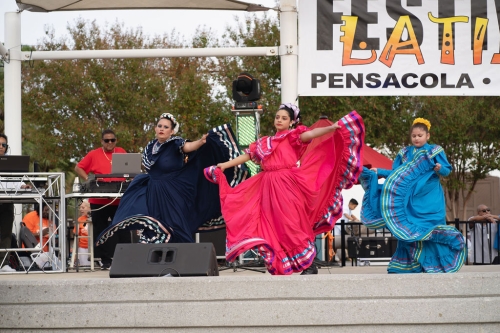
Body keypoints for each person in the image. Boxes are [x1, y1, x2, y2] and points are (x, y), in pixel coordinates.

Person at [204, 103, 365, 275]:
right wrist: (225, 165)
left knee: (292, 222)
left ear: (292, 122)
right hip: (267, 186)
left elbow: (310, 134)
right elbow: (247, 156)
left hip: (287, 184)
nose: (279, 120)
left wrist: (331, 128)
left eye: (284, 118)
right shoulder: (264, 142)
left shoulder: (292, 136)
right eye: (277, 117)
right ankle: (284, 260)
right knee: (273, 224)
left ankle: (309, 264)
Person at [96, 113, 248, 247]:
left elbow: (188, 147)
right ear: (155, 128)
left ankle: (183, 260)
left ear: (172, 131)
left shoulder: (175, 143)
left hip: (172, 190)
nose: (162, 128)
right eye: (159, 125)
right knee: (152, 221)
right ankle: (153, 260)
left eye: (166, 127)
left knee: (175, 223)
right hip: (154, 189)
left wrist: (200, 142)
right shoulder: (150, 146)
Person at [358, 118, 466, 273]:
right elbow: (396, 175)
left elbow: (447, 171)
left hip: (430, 199)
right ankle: (410, 265)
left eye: (420, 135)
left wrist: (439, 168)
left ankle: (435, 265)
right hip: (409, 201)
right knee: (408, 230)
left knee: (431, 229)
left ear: (427, 136)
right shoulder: (404, 153)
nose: (416, 138)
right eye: (414, 136)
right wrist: (379, 171)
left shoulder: (435, 151)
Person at [74, 129, 127, 270]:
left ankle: (125, 259)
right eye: (106, 140)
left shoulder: (121, 151)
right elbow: (78, 167)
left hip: (119, 199)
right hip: (98, 200)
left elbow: (130, 169)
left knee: (123, 228)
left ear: (116, 141)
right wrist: (88, 180)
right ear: (101, 141)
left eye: (112, 140)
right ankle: (105, 261)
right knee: (101, 230)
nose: (110, 143)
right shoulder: (93, 154)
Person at [0, 133, 30, 272]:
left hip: (6, 201)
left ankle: (3, 264)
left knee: (5, 234)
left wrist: (23, 186)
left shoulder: (10, 163)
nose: (1, 147)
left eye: (3, 145)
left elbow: (17, 182)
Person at [74, 200, 91, 266]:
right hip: (82, 247)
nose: (81, 209)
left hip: (93, 247)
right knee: (85, 266)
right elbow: (76, 235)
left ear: (89, 208)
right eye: (80, 207)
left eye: (83, 208)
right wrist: (75, 252)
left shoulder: (96, 218)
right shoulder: (79, 219)